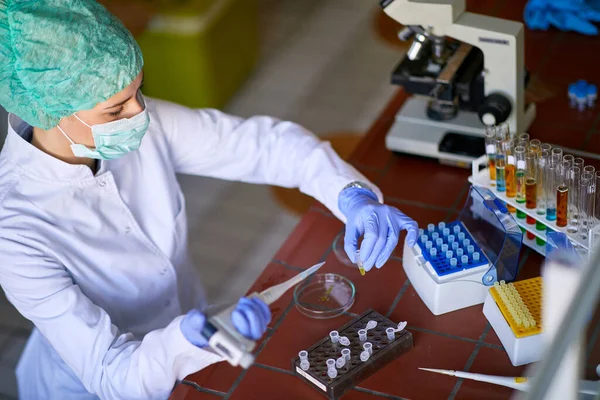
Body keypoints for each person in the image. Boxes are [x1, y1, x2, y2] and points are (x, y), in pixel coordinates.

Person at [0, 1, 418, 399]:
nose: (140, 114)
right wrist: (185, 341)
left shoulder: (134, 123)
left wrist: (351, 195)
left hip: (197, 339)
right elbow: (114, 373)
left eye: (139, 92)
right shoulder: (15, 233)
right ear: (51, 113)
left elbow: (262, 146)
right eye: (116, 110)